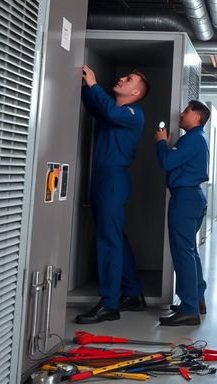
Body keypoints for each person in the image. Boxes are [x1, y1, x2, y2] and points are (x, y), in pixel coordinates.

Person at [76, 65, 149, 324]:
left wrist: (94, 84)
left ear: (136, 91)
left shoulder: (132, 114)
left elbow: (105, 108)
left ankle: (109, 304)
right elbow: (97, 107)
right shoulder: (115, 113)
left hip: (113, 180)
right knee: (115, 236)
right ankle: (131, 293)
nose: (121, 79)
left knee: (108, 240)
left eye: (128, 79)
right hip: (103, 177)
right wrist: (85, 87)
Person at [156, 100, 211, 327]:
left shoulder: (193, 138)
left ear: (196, 118)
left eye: (186, 111)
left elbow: (167, 162)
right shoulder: (199, 138)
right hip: (193, 197)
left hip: (185, 198)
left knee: (183, 254)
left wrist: (161, 143)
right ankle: (196, 299)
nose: (181, 114)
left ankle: (189, 310)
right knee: (190, 251)